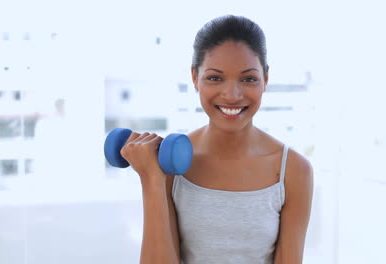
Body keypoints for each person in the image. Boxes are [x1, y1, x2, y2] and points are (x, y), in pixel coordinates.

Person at [120, 15, 314, 264]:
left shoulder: (294, 170)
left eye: (248, 79)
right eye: (214, 77)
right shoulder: (169, 166)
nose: (232, 95)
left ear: (265, 79)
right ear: (194, 78)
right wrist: (152, 181)